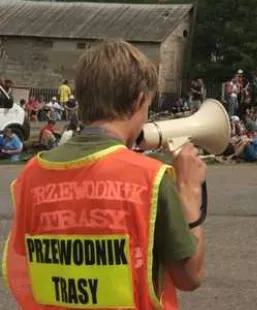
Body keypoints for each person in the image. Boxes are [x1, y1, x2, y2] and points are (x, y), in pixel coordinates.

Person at [3, 38, 206, 310]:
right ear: (138, 101)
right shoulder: (150, 178)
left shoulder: (31, 176)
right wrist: (189, 191)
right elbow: (189, 276)